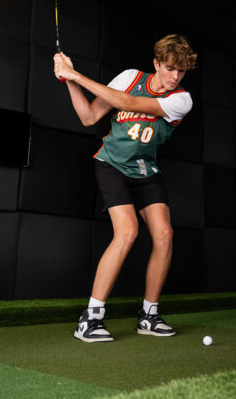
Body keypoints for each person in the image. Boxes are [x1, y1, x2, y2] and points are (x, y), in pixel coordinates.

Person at [53, 34, 197, 343]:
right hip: (112, 164)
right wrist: (69, 79)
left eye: (181, 71)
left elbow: (127, 103)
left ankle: (149, 315)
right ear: (156, 63)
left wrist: (76, 74)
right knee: (128, 232)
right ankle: (90, 319)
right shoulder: (130, 78)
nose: (175, 77)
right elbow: (88, 116)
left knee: (164, 235)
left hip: (146, 170)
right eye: (170, 68)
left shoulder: (182, 100)